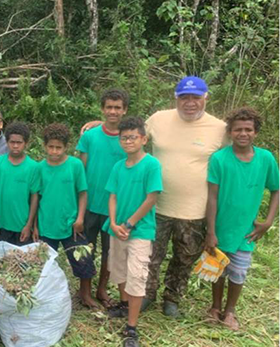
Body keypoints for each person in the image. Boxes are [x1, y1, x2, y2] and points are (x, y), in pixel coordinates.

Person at [82, 77, 227, 317]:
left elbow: (233, 157)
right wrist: (106, 123)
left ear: (206, 98)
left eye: (196, 97)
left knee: (184, 256)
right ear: (176, 98)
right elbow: (132, 131)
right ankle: (146, 295)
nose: (190, 103)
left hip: (194, 208)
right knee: (149, 257)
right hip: (155, 207)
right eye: (184, 97)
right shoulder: (159, 119)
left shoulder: (220, 129)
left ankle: (172, 298)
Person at [204, 108, 278, 331]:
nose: (243, 133)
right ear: (230, 132)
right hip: (221, 226)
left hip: (247, 230)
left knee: (238, 271)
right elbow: (212, 196)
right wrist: (210, 231)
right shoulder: (219, 159)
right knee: (217, 268)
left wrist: (268, 221)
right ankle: (215, 307)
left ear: (256, 132)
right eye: (238, 129)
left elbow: (276, 189)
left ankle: (230, 311)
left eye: (248, 129)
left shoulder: (265, 159)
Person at [103, 116, 163, 347]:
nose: (128, 141)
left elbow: (152, 197)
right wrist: (114, 223)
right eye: (124, 138)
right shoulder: (118, 167)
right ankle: (124, 304)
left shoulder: (151, 165)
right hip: (117, 229)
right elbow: (112, 196)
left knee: (137, 276)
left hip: (140, 231)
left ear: (143, 139)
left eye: (132, 137)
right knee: (118, 270)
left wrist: (129, 223)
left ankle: (131, 328)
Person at [74, 89, 129, 307]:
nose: (113, 111)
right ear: (102, 109)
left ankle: (102, 289)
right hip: (89, 205)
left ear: (124, 110)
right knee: (85, 249)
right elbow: (81, 170)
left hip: (114, 208)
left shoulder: (128, 139)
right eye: (109, 107)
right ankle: (84, 290)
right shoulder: (90, 137)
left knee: (110, 252)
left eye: (117, 107)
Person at [36, 123, 96, 308]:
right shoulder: (39, 168)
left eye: (59, 147)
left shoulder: (75, 165)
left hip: (72, 224)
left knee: (83, 260)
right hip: (46, 224)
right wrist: (35, 225)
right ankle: (45, 296)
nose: (54, 151)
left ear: (66, 147)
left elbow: (82, 193)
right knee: (44, 263)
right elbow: (36, 197)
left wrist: (80, 219)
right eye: (51, 147)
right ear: (45, 146)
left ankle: (85, 294)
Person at [0, 122, 40, 245]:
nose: (15, 146)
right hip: (1, 225)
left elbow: (34, 197)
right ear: (6, 142)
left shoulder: (33, 167)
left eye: (19, 142)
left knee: (23, 256)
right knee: (0, 256)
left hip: (22, 226)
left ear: (26, 143)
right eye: (12, 142)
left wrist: (29, 225)